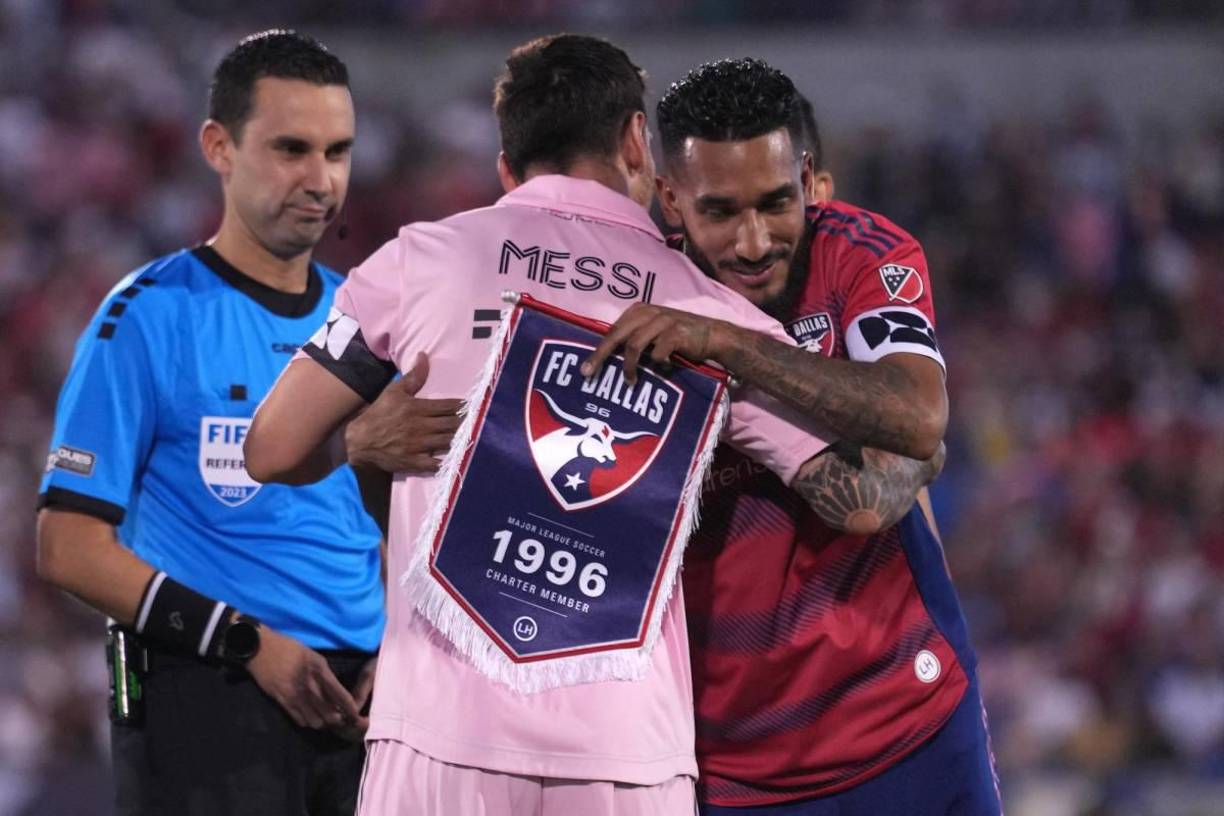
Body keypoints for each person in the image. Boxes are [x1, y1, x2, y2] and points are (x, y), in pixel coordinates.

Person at [244, 34, 932, 816]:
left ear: (507, 166)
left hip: (438, 735)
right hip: (626, 756)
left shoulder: (419, 261)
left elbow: (271, 449)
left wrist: (360, 441)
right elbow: (867, 496)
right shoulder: (703, 310)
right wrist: (923, 445)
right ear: (639, 142)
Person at [595, 58, 1001, 814]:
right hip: (734, 763)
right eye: (720, 212)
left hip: (911, 716)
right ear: (669, 199)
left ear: (809, 177)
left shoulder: (863, 252)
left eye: (777, 202)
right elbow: (886, 483)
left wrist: (729, 343)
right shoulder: (626, 303)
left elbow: (918, 418)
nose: (754, 242)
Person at [33, 30, 422, 816]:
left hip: (367, 708)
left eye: (338, 151)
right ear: (218, 146)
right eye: (291, 149)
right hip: (205, 690)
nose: (321, 180)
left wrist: (404, 647)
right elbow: (67, 545)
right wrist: (245, 642)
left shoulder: (370, 316)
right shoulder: (147, 316)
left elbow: (398, 519)